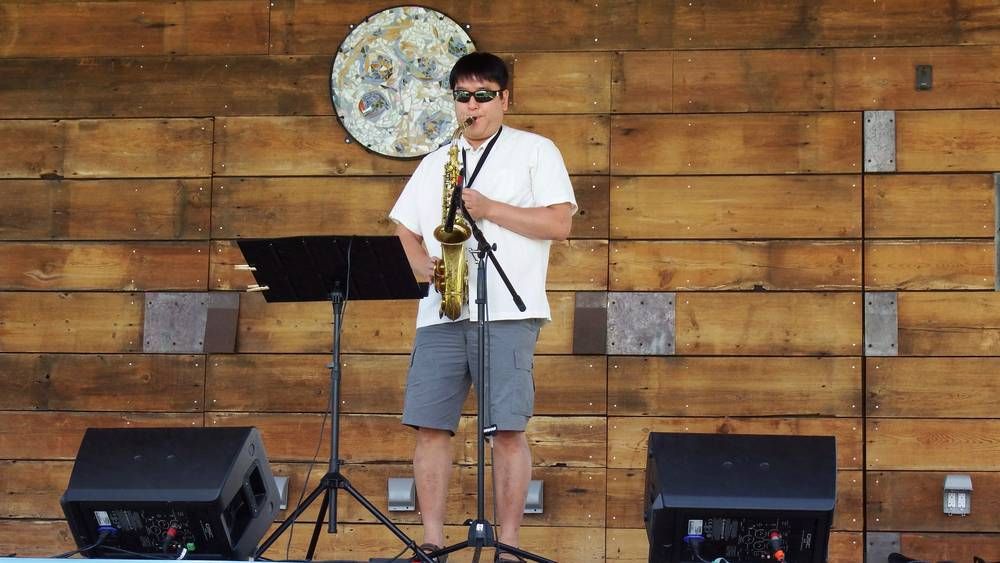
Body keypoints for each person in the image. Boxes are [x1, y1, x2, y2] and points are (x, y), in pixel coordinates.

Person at [388, 51, 577, 563]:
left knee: (507, 430)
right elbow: (403, 224)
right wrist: (420, 265)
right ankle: (431, 542)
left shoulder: (536, 150)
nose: (471, 106)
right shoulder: (437, 160)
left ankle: (508, 547)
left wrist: (490, 209)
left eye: (483, 96)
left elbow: (559, 224)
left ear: (504, 99)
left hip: (509, 311)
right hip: (441, 312)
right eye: (463, 97)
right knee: (430, 427)